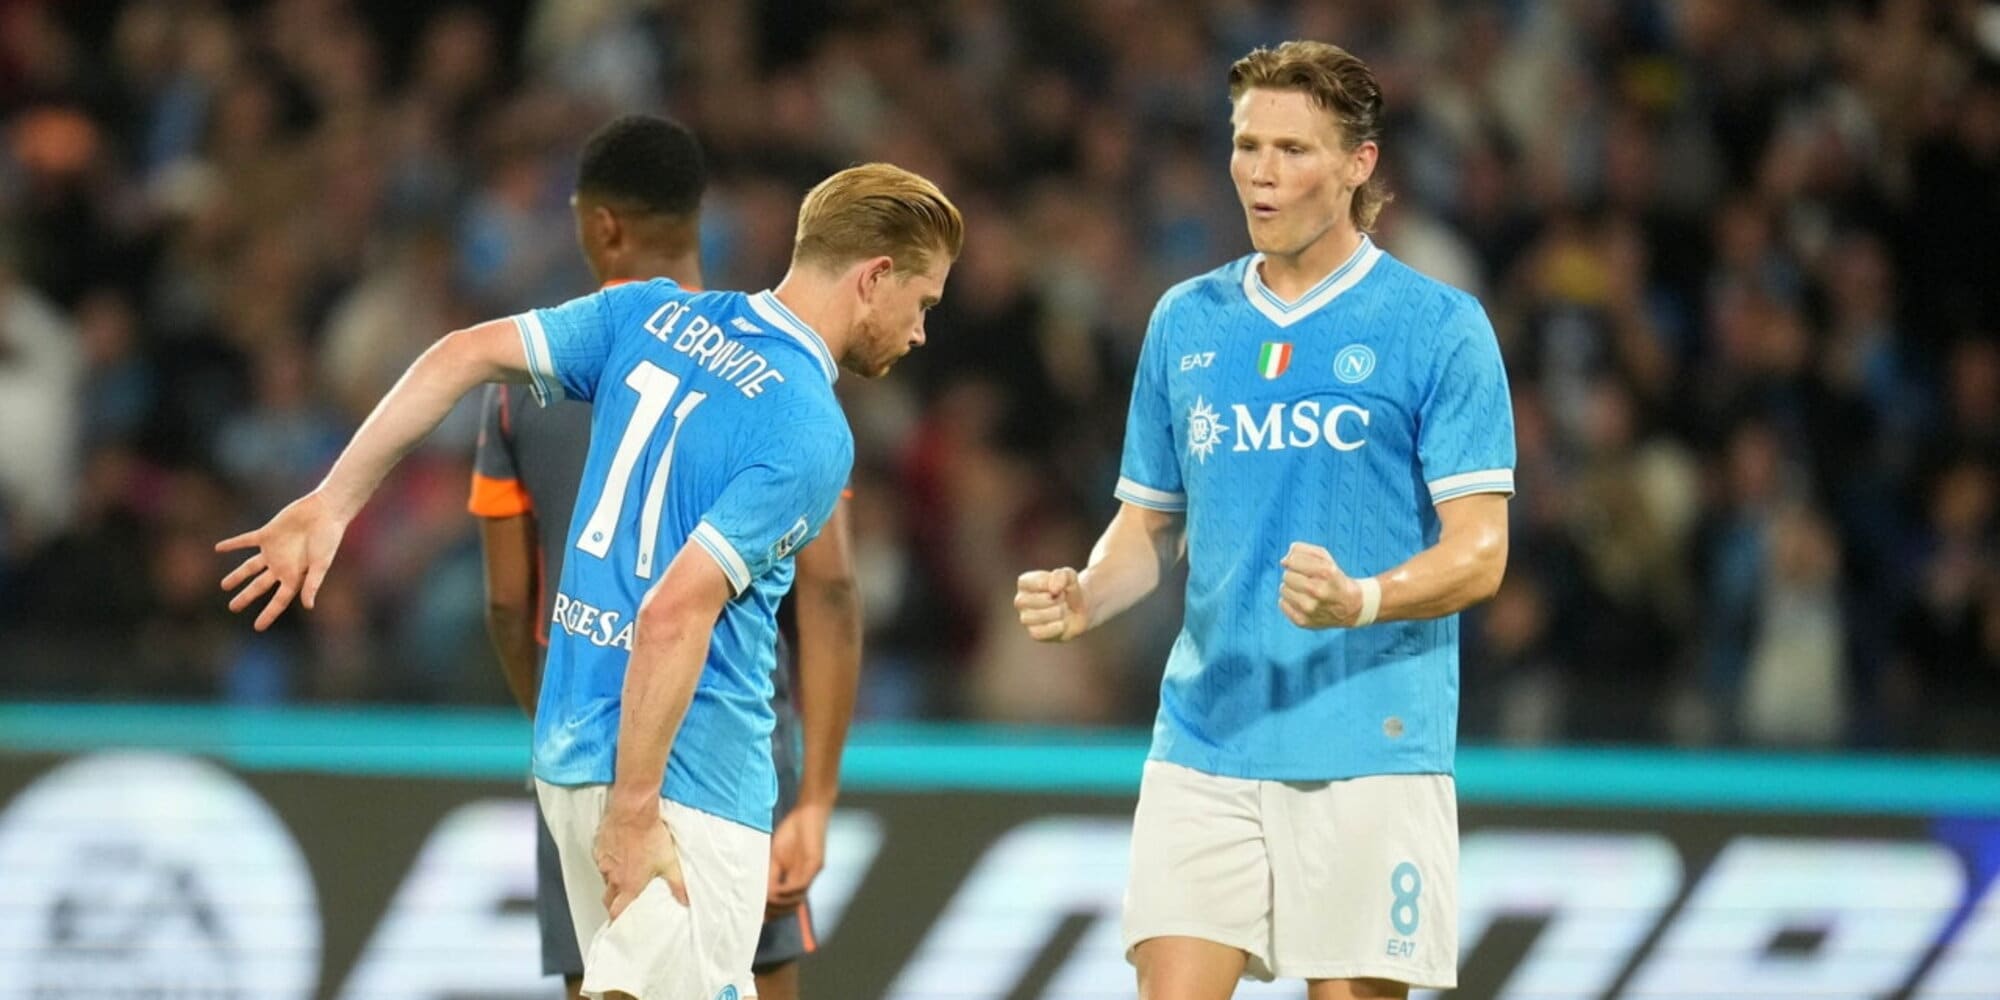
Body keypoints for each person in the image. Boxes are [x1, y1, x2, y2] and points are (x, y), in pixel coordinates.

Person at [221, 161, 962, 1000]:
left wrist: (332, 501)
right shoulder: (809, 428)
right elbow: (674, 612)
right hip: (687, 783)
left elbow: (462, 354)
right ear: (874, 277)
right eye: (924, 303)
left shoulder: (651, 313)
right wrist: (638, 810)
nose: (920, 332)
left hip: (573, 758)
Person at [1013, 41, 1513, 1000]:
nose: (1260, 172)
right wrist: (1088, 592)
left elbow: (1481, 552)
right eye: (1247, 145)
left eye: (1292, 149)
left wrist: (1363, 599)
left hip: (1370, 746)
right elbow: (1148, 528)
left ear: (1359, 164)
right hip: (1205, 739)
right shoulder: (1185, 321)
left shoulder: (1438, 327)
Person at [469, 115, 862, 1000]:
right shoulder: (778, 383)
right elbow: (831, 592)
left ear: (601, 224)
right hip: (728, 749)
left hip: (581, 741)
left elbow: (505, 602)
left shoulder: (521, 394)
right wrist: (817, 796)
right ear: (696, 219)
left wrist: (563, 728)